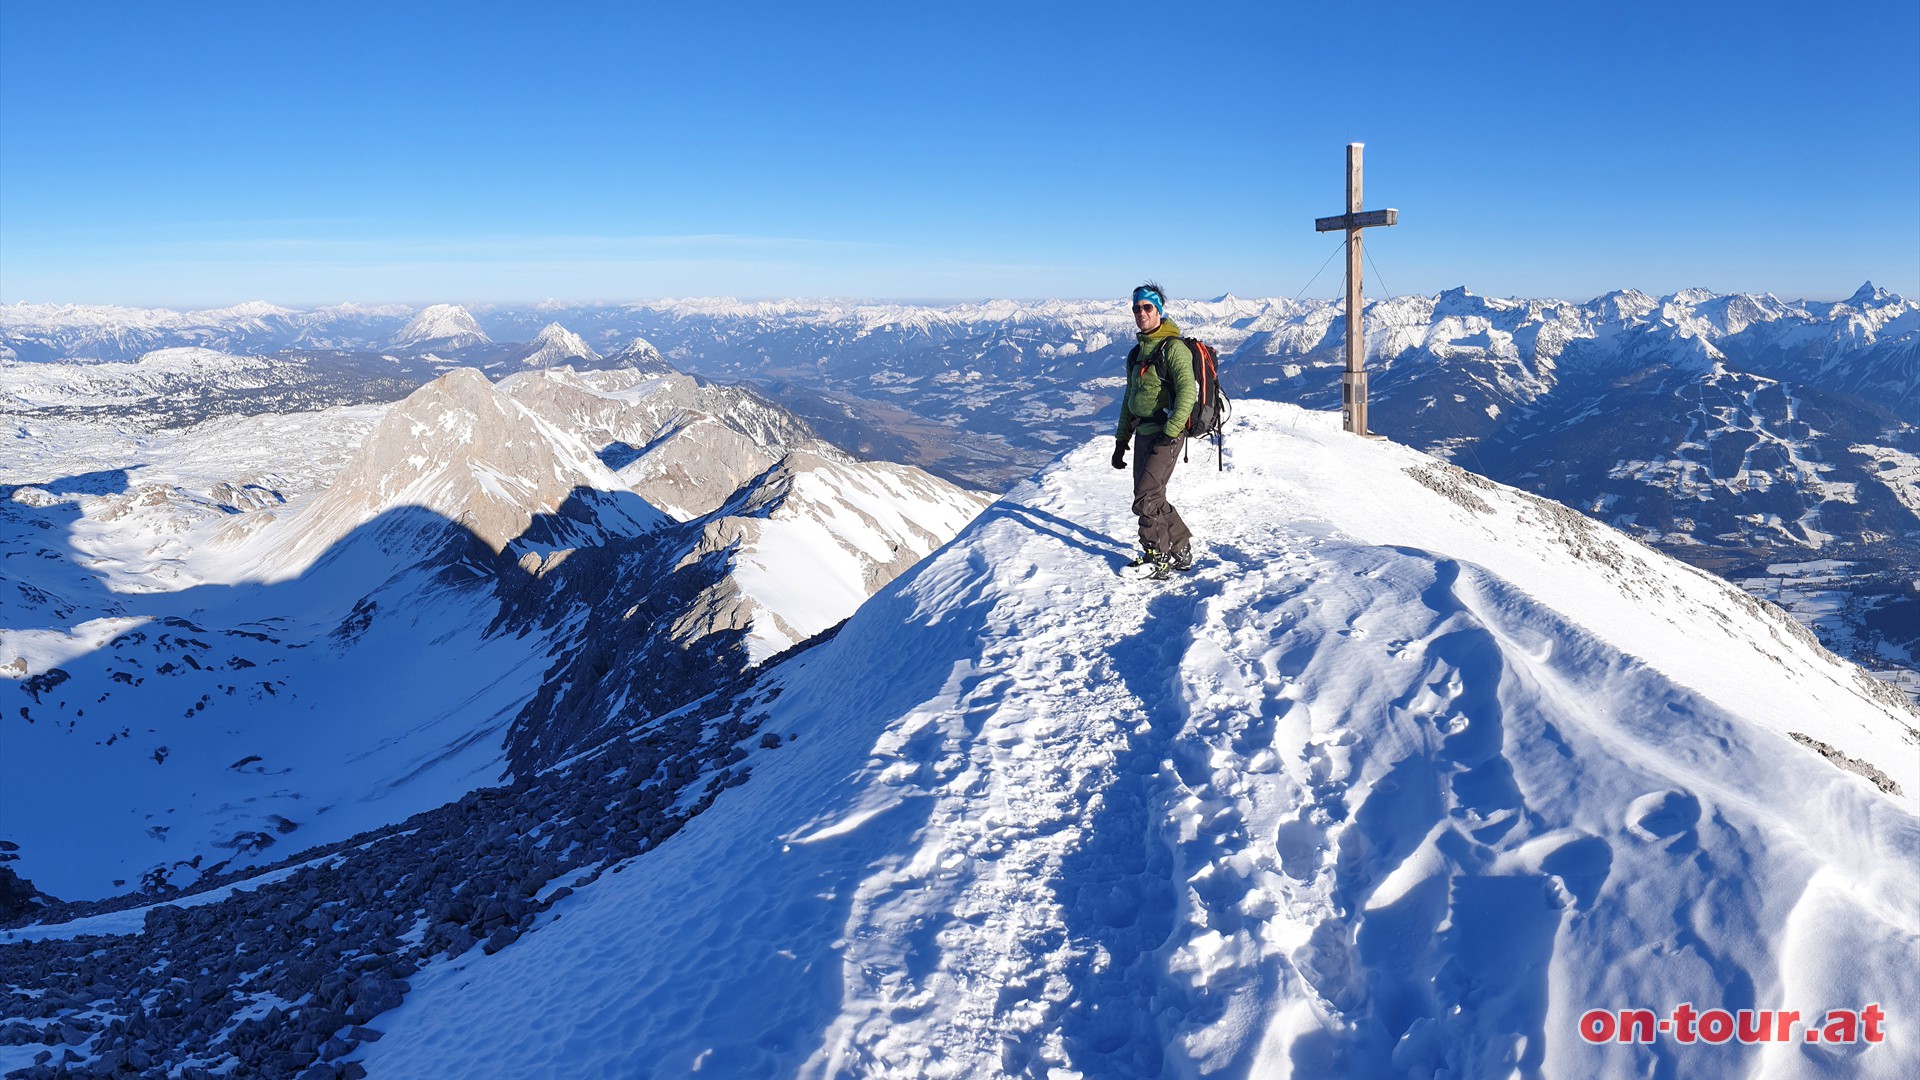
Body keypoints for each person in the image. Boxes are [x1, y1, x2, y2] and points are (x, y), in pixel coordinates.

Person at [1111, 282, 1197, 579]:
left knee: (1146, 498)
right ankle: (1181, 547)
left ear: (1159, 311)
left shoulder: (1173, 348)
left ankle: (1156, 556)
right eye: (1136, 308)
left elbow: (1188, 392)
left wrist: (1172, 431)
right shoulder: (1137, 353)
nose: (1141, 313)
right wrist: (1121, 439)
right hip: (1144, 432)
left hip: (1166, 433)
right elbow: (1129, 397)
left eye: (1147, 307)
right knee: (1151, 495)